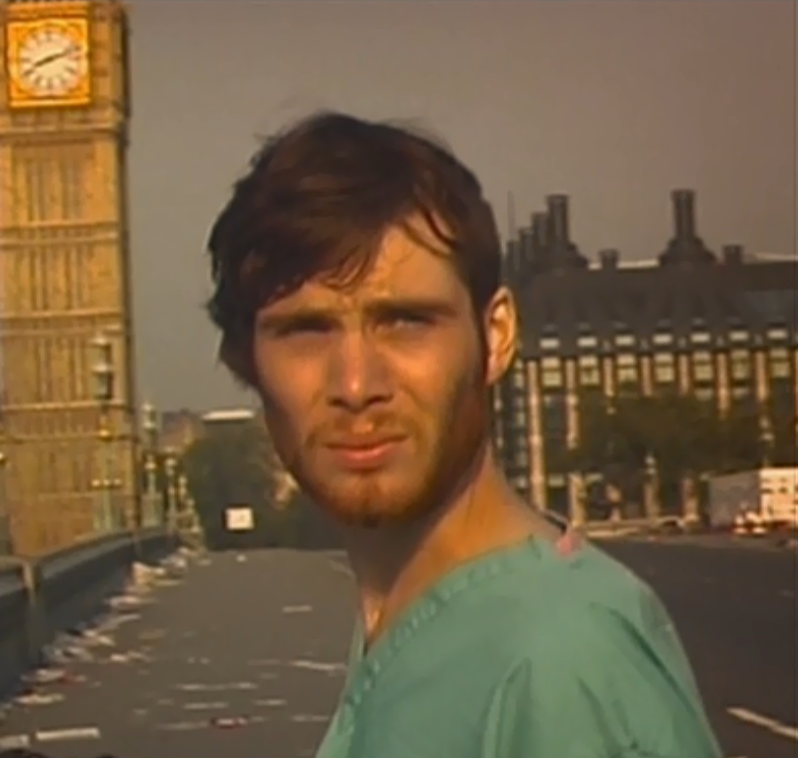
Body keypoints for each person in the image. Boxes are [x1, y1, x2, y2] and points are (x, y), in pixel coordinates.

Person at [204, 111, 722, 758]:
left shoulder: (560, 664)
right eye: (306, 331)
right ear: (242, 360)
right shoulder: (402, 616)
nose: (357, 384)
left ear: (496, 336)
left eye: (405, 322)